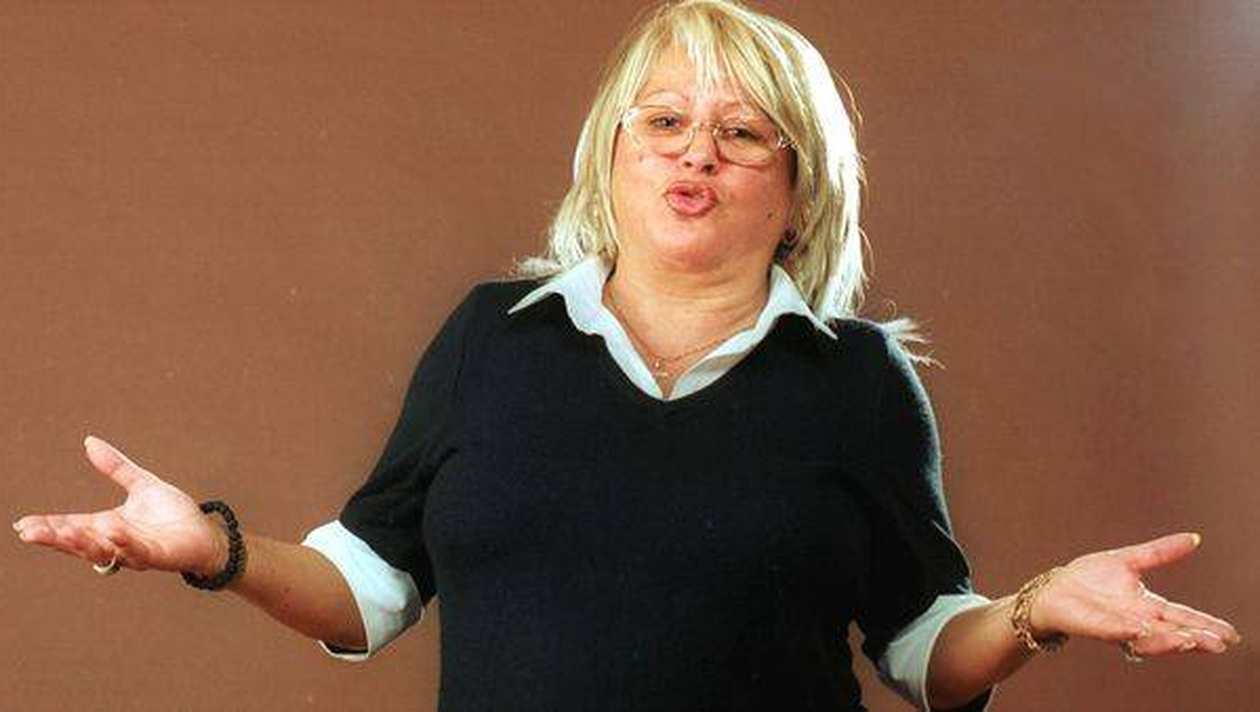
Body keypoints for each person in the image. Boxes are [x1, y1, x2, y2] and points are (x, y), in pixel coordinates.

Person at [11, 1, 1240, 710]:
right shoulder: (491, 339)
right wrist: (213, 548)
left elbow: (924, 649)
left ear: (801, 191)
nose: (695, 152)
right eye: (663, 121)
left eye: (743, 133)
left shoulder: (858, 381)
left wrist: (1035, 609)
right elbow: (370, 586)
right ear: (611, 157)